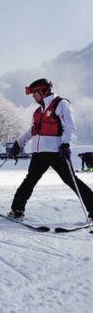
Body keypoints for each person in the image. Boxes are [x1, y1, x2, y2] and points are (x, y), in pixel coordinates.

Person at [8, 79, 93, 221]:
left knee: (71, 180)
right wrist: (18, 143)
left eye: (35, 93)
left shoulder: (61, 104)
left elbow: (70, 126)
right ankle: (17, 209)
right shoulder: (38, 110)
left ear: (43, 91)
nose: (33, 97)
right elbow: (32, 130)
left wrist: (65, 144)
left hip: (56, 152)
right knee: (29, 181)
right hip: (39, 153)